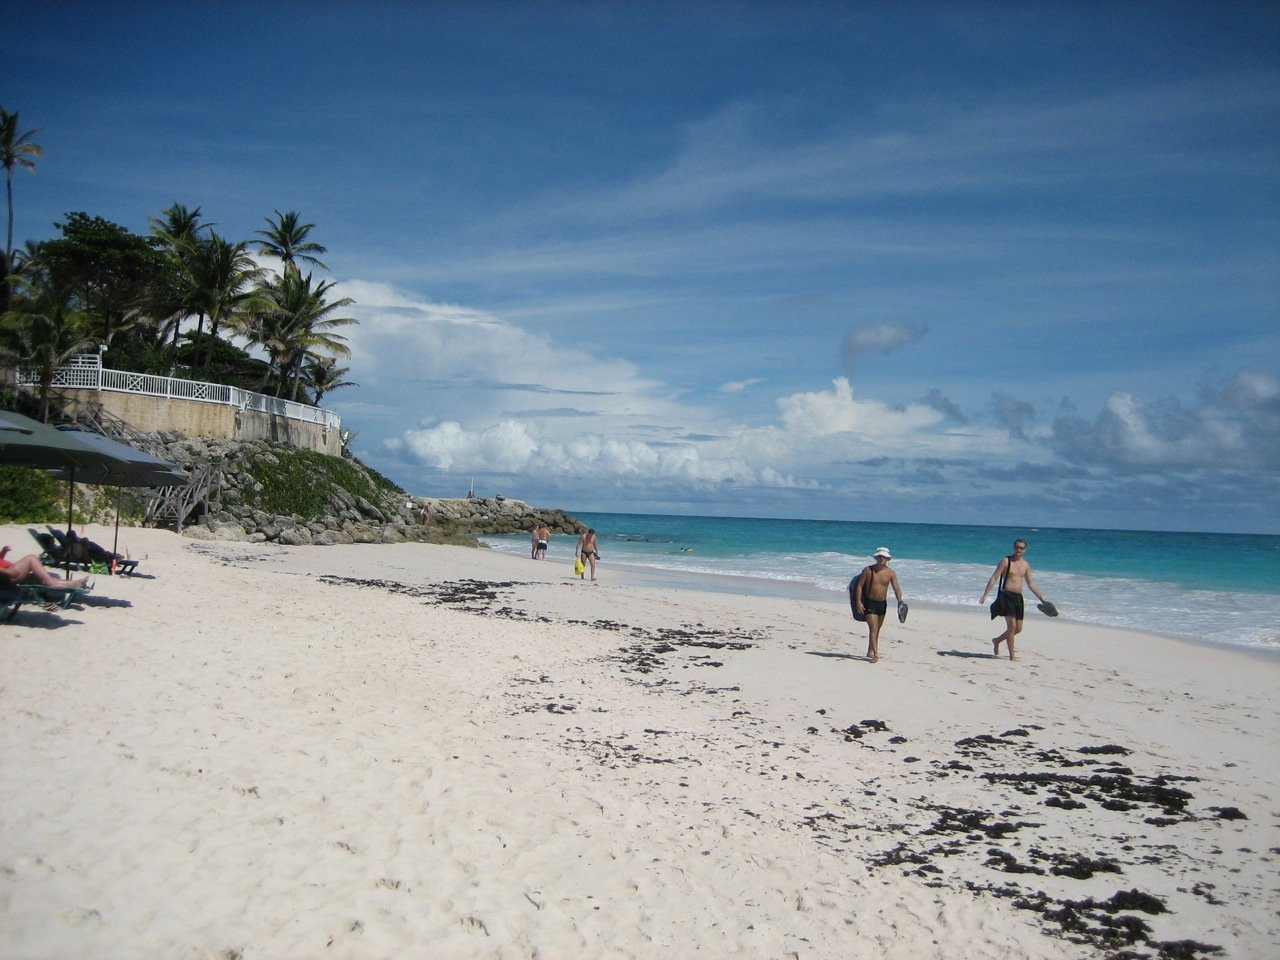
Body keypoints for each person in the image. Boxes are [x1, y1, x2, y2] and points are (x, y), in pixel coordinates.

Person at [979, 538, 1049, 661]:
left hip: (1018, 598)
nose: (1018, 550)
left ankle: (997, 640)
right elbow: (994, 577)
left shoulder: (1025, 565)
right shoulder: (1006, 561)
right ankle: (1012, 656)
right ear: (1014, 547)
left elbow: (1031, 583)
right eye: (1017, 547)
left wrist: (1042, 598)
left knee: (1018, 629)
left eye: (1021, 548)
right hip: (1006, 596)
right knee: (1011, 627)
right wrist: (985, 594)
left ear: (1025, 550)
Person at [852, 547, 904, 663]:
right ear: (875, 558)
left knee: (877, 630)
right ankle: (875, 654)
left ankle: (870, 650)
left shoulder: (891, 573)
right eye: (879, 556)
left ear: (887, 559)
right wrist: (858, 602)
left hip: (882, 604)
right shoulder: (868, 570)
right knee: (873, 628)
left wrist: (900, 601)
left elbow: (896, 589)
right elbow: (859, 586)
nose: (881, 558)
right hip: (870, 602)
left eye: (884, 557)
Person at [0, 549, 91, 589]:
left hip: (5, 575)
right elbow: (14, 574)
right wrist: (8, 570)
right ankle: (52, 583)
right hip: (7, 578)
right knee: (31, 558)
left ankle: (71, 583)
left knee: (40, 577)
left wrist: (3, 552)